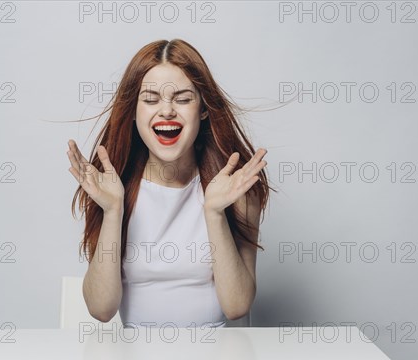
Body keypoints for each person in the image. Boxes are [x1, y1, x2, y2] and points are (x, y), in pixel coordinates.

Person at [66, 39, 273, 329]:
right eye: (150, 100)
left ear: (203, 109)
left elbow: (237, 306)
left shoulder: (236, 189)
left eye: (183, 99)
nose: (166, 111)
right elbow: (101, 309)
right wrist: (113, 210)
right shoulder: (110, 188)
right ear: (134, 111)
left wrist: (213, 213)